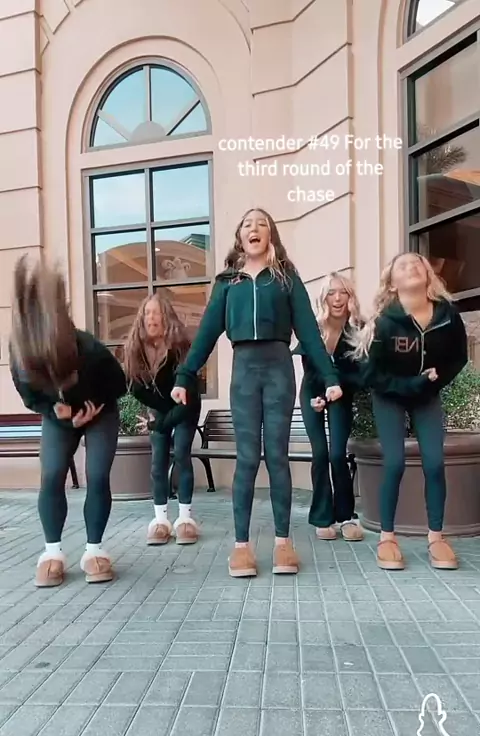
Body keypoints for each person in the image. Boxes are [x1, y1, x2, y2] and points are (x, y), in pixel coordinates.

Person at [170, 207, 343, 577]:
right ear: (240, 237)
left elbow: (309, 331)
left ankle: (283, 543)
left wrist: (330, 376)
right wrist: (185, 375)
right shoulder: (227, 282)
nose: (254, 228)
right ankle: (241, 547)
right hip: (244, 372)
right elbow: (207, 333)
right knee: (247, 459)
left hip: (279, 369)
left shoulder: (286, 277)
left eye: (262, 223)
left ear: (270, 236)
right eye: (247, 224)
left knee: (277, 457)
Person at [9, 256, 127, 587]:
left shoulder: (91, 350)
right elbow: (30, 396)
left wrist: (91, 409)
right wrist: (54, 410)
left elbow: (118, 385)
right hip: (58, 415)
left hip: (98, 410)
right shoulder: (21, 358)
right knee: (51, 474)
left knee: (97, 474)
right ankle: (52, 553)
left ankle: (95, 551)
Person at [353, 251, 468, 571]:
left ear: (428, 274)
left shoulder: (447, 315)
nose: (411, 266)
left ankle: (436, 538)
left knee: (435, 463)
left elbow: (458, 356)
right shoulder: (385, 322)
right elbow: (371, 374)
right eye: (402, 265)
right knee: (394, 463)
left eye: (417, 263)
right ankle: (387, 538)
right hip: (389, 395)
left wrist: (433, 382)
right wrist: (410, 384)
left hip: (426, 394)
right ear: (392, 282)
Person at [123, 292, 201, 546]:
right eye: (147, 313)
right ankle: (160, 521)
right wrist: (161, 416)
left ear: (166, 317)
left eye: (156, 312)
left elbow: (188, 398)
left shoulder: (181, 348)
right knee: (157, 463)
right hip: (161, 408)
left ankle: (186, 519)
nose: (151, 317)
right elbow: (135, 387)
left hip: (186, 407)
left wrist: (159, 422)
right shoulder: (136, 349)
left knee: (182, 454)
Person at [292, 272, 365, 541]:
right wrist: (319, 397)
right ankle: (322, 517)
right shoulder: (313, 328)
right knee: (320, 454)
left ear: (350, 297)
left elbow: (362, 375)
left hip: (343, 394)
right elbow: (309, 370)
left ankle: (346, 516)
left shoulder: (359, 329)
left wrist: (337, 387)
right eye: (331, 293)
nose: (337, 298)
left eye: (342, 292)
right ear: (324, 298)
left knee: (337, 455)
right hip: (312, 391)